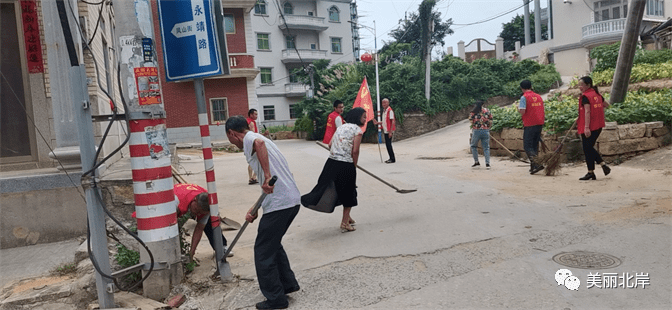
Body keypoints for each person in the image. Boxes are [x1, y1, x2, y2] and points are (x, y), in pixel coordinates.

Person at [225, 115, 301, 310]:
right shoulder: (264, 140)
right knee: (273, 244)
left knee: (263, 251)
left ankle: (276, 299)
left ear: (233, 133)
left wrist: (267, 176)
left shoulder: (251, 138)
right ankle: (287, 284)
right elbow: (268, 184)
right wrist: (255, 208)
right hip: (290, 201)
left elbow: (258, 145)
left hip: (280, 203)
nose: (231, 143)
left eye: (230, 138)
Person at [302, 107, 366, 233]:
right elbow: (355, 151)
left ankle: (347, 217)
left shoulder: (341, 127)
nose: (365, 119)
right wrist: (354, 165)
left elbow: (331, 144)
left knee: (333, 188)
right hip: (346, 164)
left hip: (331, 163)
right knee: (349, 192)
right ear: (357, 117)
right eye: (364, 116)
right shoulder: (357, 130)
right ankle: (344, 223)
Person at [173, 183, 232, 260]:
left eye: (200, 213)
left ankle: (221, 247)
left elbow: (199, 229)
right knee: (173, 227)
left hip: (193, 199)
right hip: (176, 196)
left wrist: (192, 253)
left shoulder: (207, 203)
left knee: (211, 220)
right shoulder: (175, 201)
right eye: (196, 210)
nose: (197, 214)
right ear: (195, 200)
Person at [577, 76, 611, 180]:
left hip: (590, 126)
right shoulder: (597, 94)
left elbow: (587, 111)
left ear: (588, 85)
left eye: (581, 85)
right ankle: (591, 171)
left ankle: (602, 165)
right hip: (598, 125)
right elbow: (606, 105)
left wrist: (586, 127)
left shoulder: (586, 96)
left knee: (587, 148)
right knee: (588, 149)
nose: (580, 87)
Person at [518, 80, 545, 174]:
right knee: (535, 145)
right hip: (539, 123)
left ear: (522, 88)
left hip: (529, 123)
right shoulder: (538, 96)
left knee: (527, 146)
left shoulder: (524, 97)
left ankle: (537, 164)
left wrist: (518, 109)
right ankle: (533, 166)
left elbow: (522, 111)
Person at [246, 109, 268, 185]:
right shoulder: (251, 123)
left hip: (248, 143)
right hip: (253, 144)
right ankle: (253, 177)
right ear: (251, 115)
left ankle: (251, 178)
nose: (256, 116)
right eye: (255, 114)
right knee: (258, 160)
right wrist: (264, 135)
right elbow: (254, 135)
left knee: (252, 160)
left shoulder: (247, 121)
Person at [468, 100, 493, 169]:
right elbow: (491, 119)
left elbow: (471, 121)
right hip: (485, 131)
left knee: (473, 146)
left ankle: (477, 162)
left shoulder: (473, 112)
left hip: (476, 131)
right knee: (486, 147)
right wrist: (487, 127)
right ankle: (487, 164)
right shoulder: (487, 111)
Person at [373, 98, 396, 163]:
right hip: (386, 130)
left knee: (389, 144)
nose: (383, 104)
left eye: (385, 103)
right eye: (383, 103)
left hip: (389, 130)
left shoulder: (390, 111)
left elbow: (392, 121)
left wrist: (390, 132)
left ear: (388, 103)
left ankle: (392, 158)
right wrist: (377, 123)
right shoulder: (384, 111)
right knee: (387, 144)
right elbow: (384, 121)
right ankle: (391, 157)